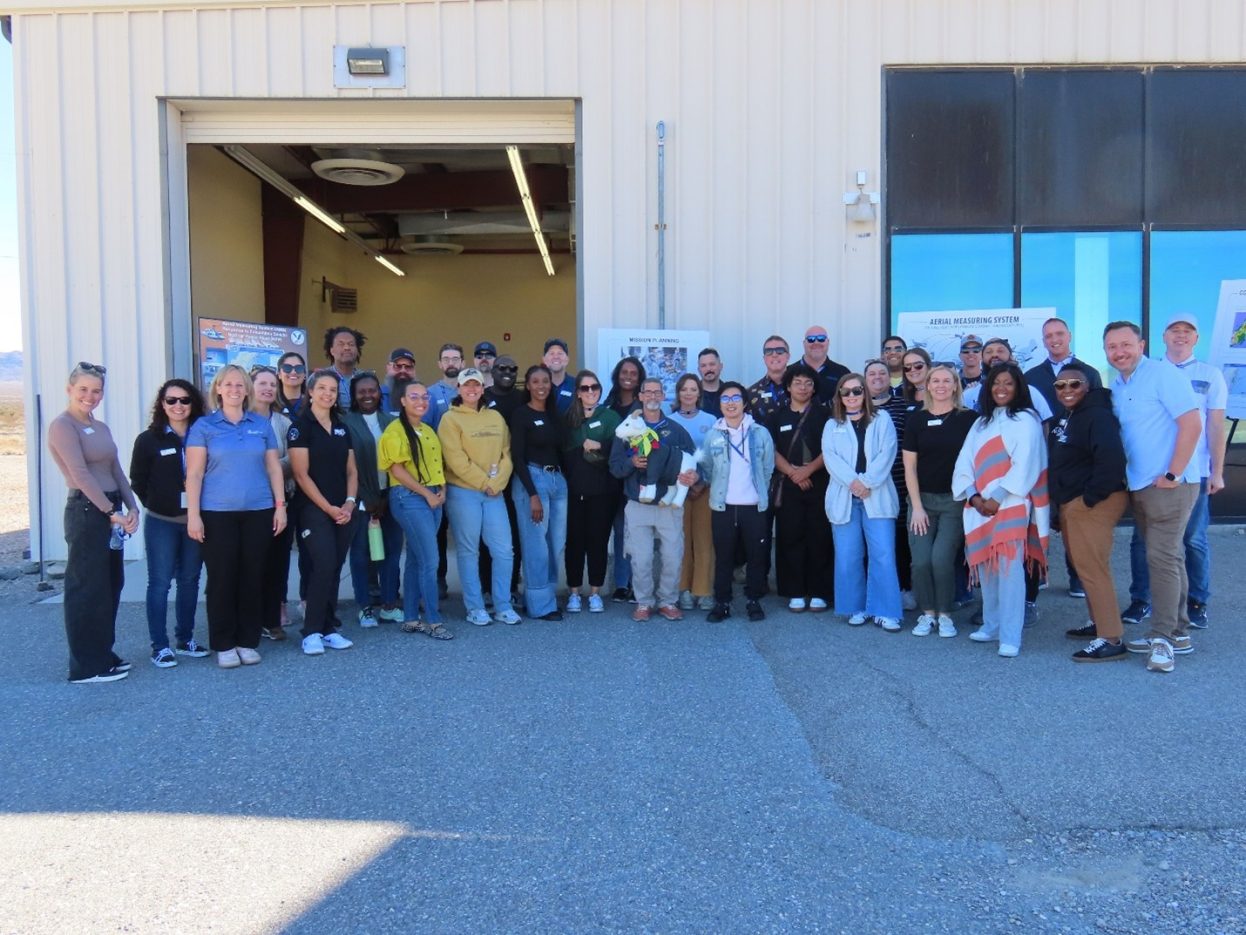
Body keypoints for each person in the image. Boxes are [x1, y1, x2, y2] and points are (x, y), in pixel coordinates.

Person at [1103, 322, 1201, 674]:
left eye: (1126, 344)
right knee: (1168, 558)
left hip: (1169, 485)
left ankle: (1161, 639)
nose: (1119, 351)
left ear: (1141, 344)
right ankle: (1179, 632)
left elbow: (1192, 423)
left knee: (1160, 559)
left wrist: (1173, 473)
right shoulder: (1117, 384)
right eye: (1112, 347)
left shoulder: (1162, 374)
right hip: (1141, 485)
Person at [1123, 313, 1228, 629]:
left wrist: (1218, 471)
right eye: (1174, 330)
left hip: (1190, 474)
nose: (1180, 335)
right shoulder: (1148, 372)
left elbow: (1214, 425)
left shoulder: (1210, 375)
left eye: (1188, 331)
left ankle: (1196, 602)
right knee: (1142, 543)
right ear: (1163, 337)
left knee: (1193, 540)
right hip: (1148, 476)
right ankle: (1141, 599)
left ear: (1196, 339)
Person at [186, 364, 287, 669]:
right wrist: (194, 515)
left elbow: (273, 468)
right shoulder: (204, 427)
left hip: (258, 511)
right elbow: (194, 474)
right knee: (222, 578)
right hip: (217, 514)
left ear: (247, 390)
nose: (233, 390)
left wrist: (280, 506)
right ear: (217, 389)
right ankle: (224, 643)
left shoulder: (260, 425)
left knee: (252, 576)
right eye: (227, 384)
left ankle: (247, 640)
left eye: (239, 385)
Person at [48, 361, 140, 683]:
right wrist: (109, 512)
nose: (90, 396)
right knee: (87, 588)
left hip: (110, 508)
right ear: (70, 389)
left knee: (111, 585)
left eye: (96, 391)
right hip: (88, 511)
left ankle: (103, 653)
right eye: (83, 389)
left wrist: (132, 508)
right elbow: (80, 474)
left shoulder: (100, 427)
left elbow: (116, 470)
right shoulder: (63, 426)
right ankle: (86, 666)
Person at [953, 363, 1049, 658]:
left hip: (1011, 506)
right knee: (987, 569)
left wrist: (996, 497)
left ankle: (1011, 635)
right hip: (980, 508)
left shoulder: (1027, 419)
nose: (1001, 388)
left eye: (1008, 383)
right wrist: (974, 497)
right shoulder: (981, 423)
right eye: (996, 383)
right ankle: (992, 625)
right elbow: (964, 462)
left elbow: (1027, 464)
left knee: (1009, 571)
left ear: (1018, 387)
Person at [1047, 364, 1130, 662]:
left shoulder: (1098, 416)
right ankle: (1100, 623)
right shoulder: (1069, 418)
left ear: (1088, 387)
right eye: (1061, 385)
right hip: (1072, 502)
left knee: (1093, 569)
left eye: (1074, 384)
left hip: (1093, 502)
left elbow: (1111, 462)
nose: (1067, 390)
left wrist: (1088, 499)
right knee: (1085, 567)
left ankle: (1110, 638)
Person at [130, 379, 209, 668]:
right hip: (162, 522)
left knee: (190, 580)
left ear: (193, 403)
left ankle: (185, 638)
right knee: (160, 583)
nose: (178, 406)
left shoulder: (203, 434)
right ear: (162, 404)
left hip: (195, 520)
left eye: (184, 400)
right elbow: (137, 480)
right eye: (171, 400)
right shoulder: (149, 440)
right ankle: (159, 646)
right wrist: (156, 502)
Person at [609, 377, 699, 621]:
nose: (651, 397)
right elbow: (615, 467)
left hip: (668, 505)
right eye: (647, 392)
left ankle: (668, 601)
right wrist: (632, 462)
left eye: (656, 393)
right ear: (640, 396)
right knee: (641, 557)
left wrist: (693, 476)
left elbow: (692, 461)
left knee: (672, 555)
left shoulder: (676, 430)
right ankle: (644, 602)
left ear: (663, 397)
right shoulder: (627, 429)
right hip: (637, 504)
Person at [439, 368, 521, 626]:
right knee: (468, 551)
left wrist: (497, 483)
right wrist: (485, 482)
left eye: (476, 385)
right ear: (459, 389)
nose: (472, 389)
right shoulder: (450, 420)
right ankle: (475, 608)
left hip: (494, 492)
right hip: (464, 493)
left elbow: (507, 453)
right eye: (467, 385)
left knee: (504, 550)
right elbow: (455, 459)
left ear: (482, 388)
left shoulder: (496, 417)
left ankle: (503, 605)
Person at [821, 372, 902, 631]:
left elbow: (887, 453)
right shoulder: (832, 425)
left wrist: (866, 482)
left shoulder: (882, 419)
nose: (852, 396)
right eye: (846, 392)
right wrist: (854, 484)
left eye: (857, 391)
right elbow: (831, 459)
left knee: (884, 554)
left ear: (865, 394)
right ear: (840, 397)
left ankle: (886, 610)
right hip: (844, 497)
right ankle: (855, 607)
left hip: (876, 495)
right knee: (847, 556)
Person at [902, 365, 976, 638]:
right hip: (922, 502)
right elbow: (909, 466)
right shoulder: (917, 420)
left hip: (954, 501)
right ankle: (927, 613)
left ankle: (944, 614)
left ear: (956, 385)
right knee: (921, 561)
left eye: (947, 380)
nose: (941, 385)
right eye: (936, 380)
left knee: (942, 559)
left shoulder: (969, 419)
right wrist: (917, 506)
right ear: (928, 386)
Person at [287, 370, 358, 656]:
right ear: (311, 392)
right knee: (323, 564)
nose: (328, 394)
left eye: (333, 389)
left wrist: (350, 502)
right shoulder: (300, 427)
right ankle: (311, 632)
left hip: (344, 509)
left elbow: (352, 470)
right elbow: (301, 475)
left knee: (335, 568)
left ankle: (329, 629)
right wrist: (328, 507)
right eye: (323, 388)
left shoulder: (342, 427)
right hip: (313, 509)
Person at [378, 381, 452, 639]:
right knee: (430, 561)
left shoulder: (428, 430)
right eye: (414, 397)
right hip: (409, 498)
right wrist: (426, 494)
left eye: (424, 397)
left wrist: (441, 489)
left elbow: (436, 463)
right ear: (403, 401)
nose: (421, 401)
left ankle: (411, 618)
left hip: (432, 495)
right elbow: (396, 470)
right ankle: (433, 621)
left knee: (416, 558)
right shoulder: (394, 431)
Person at [698, 382, 774, 622]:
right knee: (724, 557)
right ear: (720, 404)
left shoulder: (760, 432)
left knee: (756, 555)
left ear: (744, 402)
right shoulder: (713, 434)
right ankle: (722, 603)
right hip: (724, 506)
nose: (730, 403)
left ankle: (753, 600)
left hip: (753, 505)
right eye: (725, 399)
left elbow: (768, 467)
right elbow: (708, 468)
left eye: (735, 398)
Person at [766, 363, 832, 613]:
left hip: (819, 483)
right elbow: (769, 450)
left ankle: (818, 591)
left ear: (814, 388)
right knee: (790, 536)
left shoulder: (825, 415)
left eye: (808, 383)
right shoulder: (777, 416)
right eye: (797, 383)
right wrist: (794, 472)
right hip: (789, 485)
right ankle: (794, 591)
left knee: (819, 536)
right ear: (788, 386)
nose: (803, 388)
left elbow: (832, 449)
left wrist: (808, 470)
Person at [342, 371, 403, 628]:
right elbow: (347, 466)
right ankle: (365, 606)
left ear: (380, 393)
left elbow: (400, 461)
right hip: (360, 499)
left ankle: (389, 604)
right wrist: (366, 499)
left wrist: (387, 496)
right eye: (362, 391)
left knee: (391, 551)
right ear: (354, 396)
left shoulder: (391, 421)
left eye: (373, 390)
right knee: (360, 554)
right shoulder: (345, 422)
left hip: (391, 498)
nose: (368, 395)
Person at [510, 364, 568, 621]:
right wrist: (532, 493)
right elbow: (517, 457)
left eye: (546, 381)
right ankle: (539, 605)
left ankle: (547, 597)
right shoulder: (521, 414)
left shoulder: (556, 415)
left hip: (557, 481)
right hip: (532, 480)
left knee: (555, 544)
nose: (542, 386)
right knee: (536, 546)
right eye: (536, 381)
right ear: (528, 385)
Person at [563, 370, 620, 614]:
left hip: (602, 491)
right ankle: (574, 592)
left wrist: (600, 445)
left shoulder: (610, 417)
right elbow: (561, 452)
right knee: (574, 543)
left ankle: (595, 592)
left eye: (594, 387)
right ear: (577, 393)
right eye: (584, 388)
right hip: (574, 491)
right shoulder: (568, 419)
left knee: (598, 541)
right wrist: (580, 450)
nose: (590, 392)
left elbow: (622, 448)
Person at [250, 366, 295, 640]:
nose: (268, 388)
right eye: (262, 383)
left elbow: (293, 459)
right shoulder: (239, 420)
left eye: (271, 384)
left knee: (277, 563)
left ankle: (271, 618)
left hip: (281, 501)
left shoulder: (283, 423)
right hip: (250, 504)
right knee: (253, 563)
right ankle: (249, 618)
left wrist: (269, 467)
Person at [667, 374, 716, 612]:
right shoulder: (668, 421)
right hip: (678, 491)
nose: (688, 393)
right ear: (678, 393)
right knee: (681, 541)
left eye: (693, 389)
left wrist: (702, 481)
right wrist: (684, 481)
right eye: (684, 389)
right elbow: (666, 458)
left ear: (699, 393)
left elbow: (716, 456)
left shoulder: (712, 420)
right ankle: (682, 589)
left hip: (705, 489)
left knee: (704, 540)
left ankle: (704, 591)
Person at [604, 356, 645, 601]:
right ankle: (621, 584)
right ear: (617, 375)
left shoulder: (643, 407)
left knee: (634, 532)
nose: (628, 376)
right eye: (624, 371)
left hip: (635, 477)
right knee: (619, 531)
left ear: (640, 378)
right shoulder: (608, 405)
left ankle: (634, 583)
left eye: (634, 372)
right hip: (610, 479)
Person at [1024, 317, 1103, 416]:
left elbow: (1099, 412)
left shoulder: (1090, 373)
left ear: (1070, 336)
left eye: (1059, 334)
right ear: (1044, 342)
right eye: (1049, 336)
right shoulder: (1030, 377)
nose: (1054, 339)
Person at [799, 325, 850, 403]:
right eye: (810, 339)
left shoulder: (842, 373)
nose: (816, 342)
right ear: (803, 343)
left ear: (828, 342)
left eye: (821, 339)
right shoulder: (789, 372)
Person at [747, 335, 791, 422]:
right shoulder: (751, 393)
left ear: (788, 356)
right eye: (769, 351)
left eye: (780, 351)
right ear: (764, 358)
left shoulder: (802, 389)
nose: (774, 355)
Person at [324, 326, 366, 409]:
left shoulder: (365, 378)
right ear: (331, 350)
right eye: (341, 344)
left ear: (357, 350)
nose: (347, 348)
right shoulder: (320, 378)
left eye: (351, 344)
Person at [544, 337, 576, 414]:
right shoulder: (538, 386)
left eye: (560, 353)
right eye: (551, 353)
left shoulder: (576, 385)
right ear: (545, 360)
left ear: (567, 360)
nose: (556, 357)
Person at [381, 347, 416, 413]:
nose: (403, 370)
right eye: (397, 366)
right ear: (388, 367)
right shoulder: (377, 396)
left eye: (408, 367)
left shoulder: (425, 399)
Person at [276, 351, 307, 418]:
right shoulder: (272, 404)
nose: (293, 372)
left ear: (304, 375)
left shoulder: (312, 404)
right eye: (287, 368)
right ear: (279, 374)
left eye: (299, 368)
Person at [696, 348, 725, 417]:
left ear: (721, 366)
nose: (708, 369)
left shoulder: (729, 393)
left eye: (712, 364)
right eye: (703, 366)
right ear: (699, 370)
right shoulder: (692, 395)